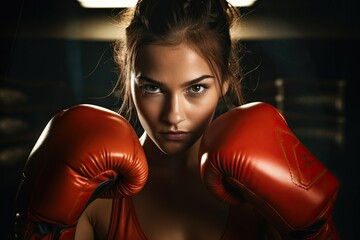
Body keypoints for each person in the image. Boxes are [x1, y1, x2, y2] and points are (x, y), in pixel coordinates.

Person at [14, 0, 340, 239]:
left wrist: (313, 230)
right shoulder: (96, 196)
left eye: (196, 88)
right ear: (129, 78)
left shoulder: (259, 195)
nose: (173, 115)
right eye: (153, 88)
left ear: (225, 80)